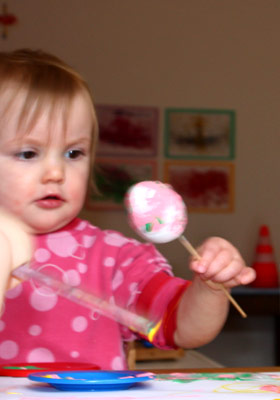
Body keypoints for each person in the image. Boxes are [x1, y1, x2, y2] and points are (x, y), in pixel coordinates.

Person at [0, 49, 256, 369]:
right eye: (27, 153)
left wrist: (210, 289)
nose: (56, 173)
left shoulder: (113, 259)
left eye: (73, 153)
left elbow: (182, 330)